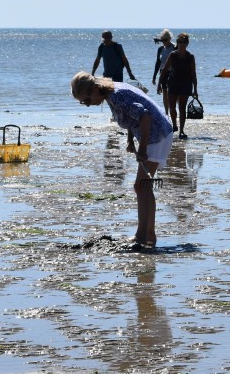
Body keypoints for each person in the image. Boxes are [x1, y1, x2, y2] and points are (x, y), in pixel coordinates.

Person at [71, 72, 174, 249]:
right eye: (83, 103)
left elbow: (145, 117)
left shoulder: (117, 96)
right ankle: (148, 235)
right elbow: (132, 118)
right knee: (144, 186)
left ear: (94, 89)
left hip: (157, 135)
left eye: (86, 100)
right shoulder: (111, 92)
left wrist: (142, 148)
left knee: (141, 186)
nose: (87, 105)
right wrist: (130, 140)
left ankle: (143, 235)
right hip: (155, 134)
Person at [159, 32, 198, 138]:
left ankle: (181, 130)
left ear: (187, 43)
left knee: (182, 107)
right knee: (172, 107)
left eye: (184, 42)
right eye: (180, 42)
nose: (182, 44)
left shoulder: (190, 57)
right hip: (173, 83)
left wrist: (195, 89)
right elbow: (164, 70)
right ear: (177, 43)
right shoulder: (173, 55)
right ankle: (174, 125)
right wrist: (159, 83)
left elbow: (193, 74)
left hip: (186, 84)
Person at [151, 30, 175, 119]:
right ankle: (166, 112)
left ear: (170, 39)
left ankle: (173, 110)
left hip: (172, 72)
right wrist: (154, 76)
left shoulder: (174, 47)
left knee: (171, 92)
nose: (164, 42)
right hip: (162, 72)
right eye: (162, 40)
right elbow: (158, 62)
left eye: (166, 40)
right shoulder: (160, 49)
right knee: (165, 91)